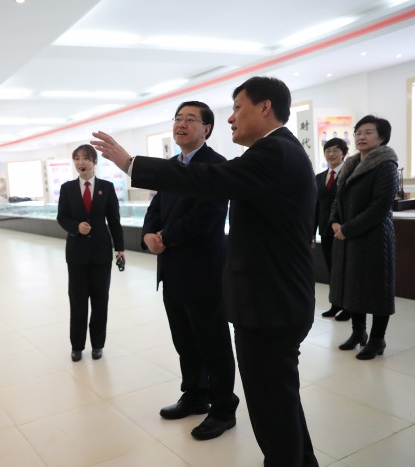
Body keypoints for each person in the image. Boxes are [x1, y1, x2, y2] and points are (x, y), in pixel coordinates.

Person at [92, 76, 318, 466]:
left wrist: (131, 164)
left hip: (269, 303)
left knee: (271, 408)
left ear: (265, 107)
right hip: (274, 298)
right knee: (279, 401)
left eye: (237, 108)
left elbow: (208, 180)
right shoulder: (281, 151)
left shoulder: (273, 152)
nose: (232, 118)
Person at [141, 100, 238, 440]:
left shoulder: (217, 166)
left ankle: (224, 408)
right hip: (172, 270)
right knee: (185, 340)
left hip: (203, 271)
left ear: (206, 129)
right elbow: (156, 206)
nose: (181, 124)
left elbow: (207, 216)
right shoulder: (171, 167)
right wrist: (148, 235)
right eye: (178, 118)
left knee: (213, 343)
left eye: (190, 119)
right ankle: (195, 395)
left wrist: (165, 237)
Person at [329, 115, 398, 360]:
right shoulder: (351, 164)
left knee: (378, 289)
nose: (361, 137)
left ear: (382, 137)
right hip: (349, 237)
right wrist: (335, 221)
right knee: (353, 287)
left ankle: (378, 339)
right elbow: (338, 199)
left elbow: (380, 207)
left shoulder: (386, 165)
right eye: (358, 132)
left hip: (375, 238)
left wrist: (347, 229)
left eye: (368, 132)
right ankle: (358, 333)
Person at [57, 144, 125, 362]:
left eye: (86, 158)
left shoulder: (107, 187)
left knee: (100, 301)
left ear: (95, 162)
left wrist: (120, 249)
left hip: (101, 253)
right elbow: (62, 217)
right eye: (77, 158)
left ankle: (98, 344)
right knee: (77, 301)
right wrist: (76, 227)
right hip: (76, 254)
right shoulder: (67, 189)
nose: (81, 162)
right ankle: (77, 346)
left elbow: (114, 220)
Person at [313, 138, 349, 320]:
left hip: (343, 231)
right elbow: (315, 206)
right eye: (328, 151)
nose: (331, 154)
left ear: (344, 153)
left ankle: (349, 307)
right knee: (331, 269)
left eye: (336, 150)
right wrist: (311, 232)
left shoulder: (349, 175)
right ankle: (335, 305)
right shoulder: (319, 177)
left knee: (345, 270)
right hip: (325, 231)